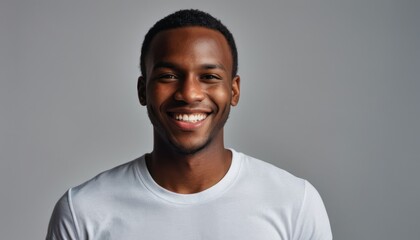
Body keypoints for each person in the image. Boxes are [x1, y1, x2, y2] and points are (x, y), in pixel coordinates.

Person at [46, 9, 332, 240]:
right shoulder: (83, 211)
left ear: (234, 91)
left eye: (209, 76)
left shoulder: (295, 202)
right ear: (143, 90)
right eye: (169, 76)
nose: (189, 93)